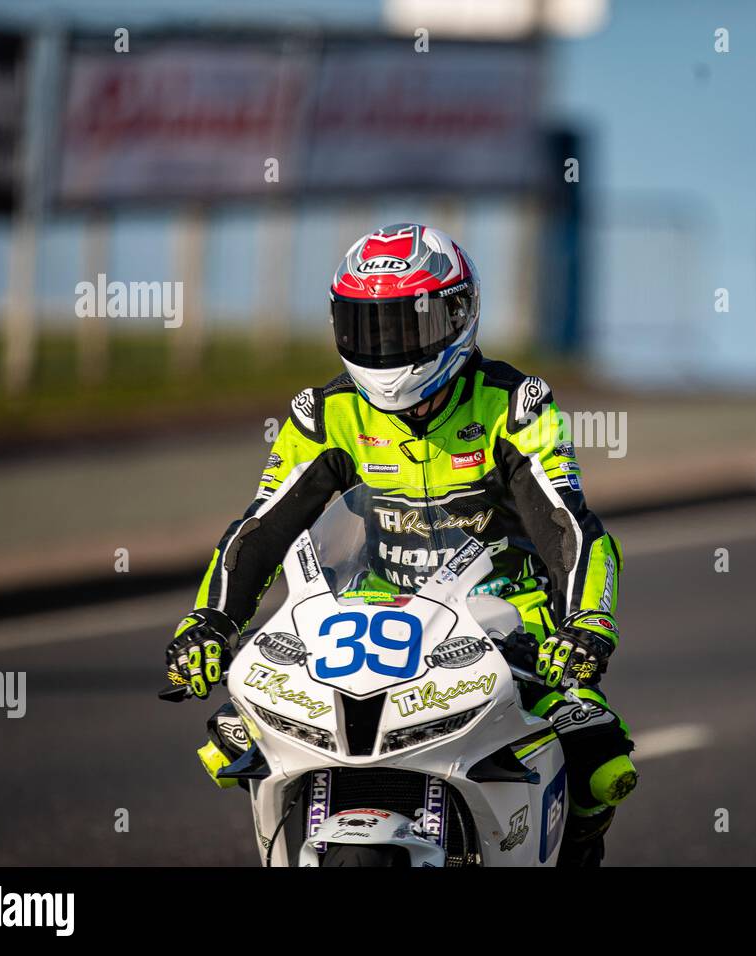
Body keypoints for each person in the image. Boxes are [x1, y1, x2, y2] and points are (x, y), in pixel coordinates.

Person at [164, 223, 636, 865]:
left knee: (598, 761)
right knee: (231, 738)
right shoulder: (322, 413)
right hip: (367, 617)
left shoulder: (515, 406)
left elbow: (569, 526)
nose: (387, 349)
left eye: (407, 326)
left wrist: (587, 627)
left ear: (461, 314)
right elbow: (262, 525)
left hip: (509, 622)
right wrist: (210, 621)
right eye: (369, 328)